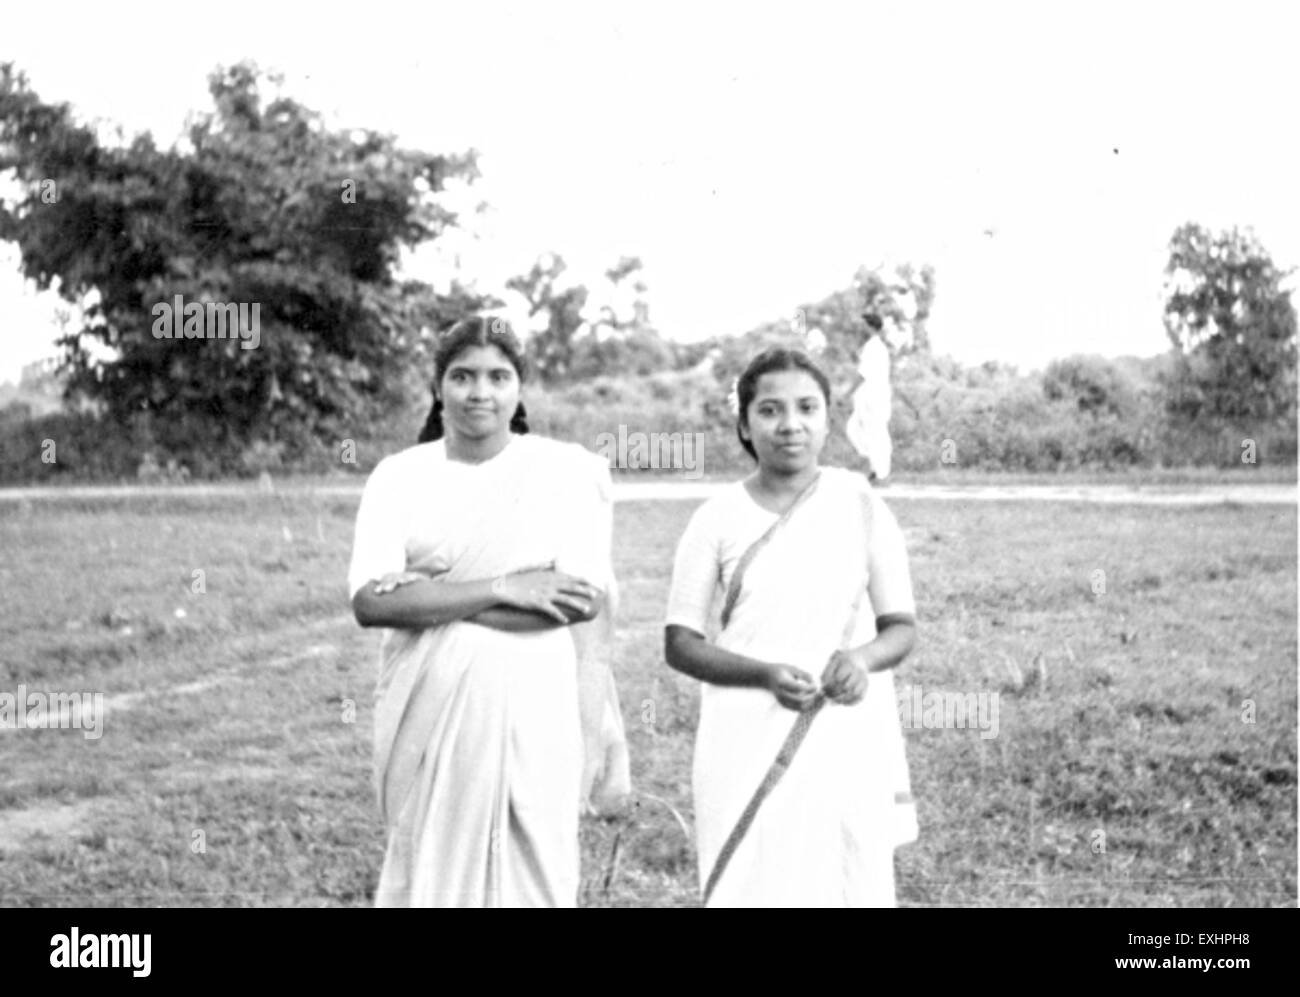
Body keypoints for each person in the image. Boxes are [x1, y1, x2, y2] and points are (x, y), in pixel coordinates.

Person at [348, 315, 629, 908]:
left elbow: (576, 602)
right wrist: (505, 587)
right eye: (463, 376)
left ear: (520, 388)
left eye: (498, 376)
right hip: (431, 699)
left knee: (536, 866)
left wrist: (429, 596)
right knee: (431, 863)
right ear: (437, 386)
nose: (480, 392)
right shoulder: (398, 477)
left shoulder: (564, 473)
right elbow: (371, 603)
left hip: (538, 698)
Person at [664, 347, 918, 907]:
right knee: (753, 883)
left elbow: (900, 625)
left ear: (829, 421)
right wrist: (764, 675)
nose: (790, 425)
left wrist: (861, 661)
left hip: (844, 728)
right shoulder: (715, 518)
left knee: (843, 878)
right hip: (743, 731)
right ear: (744, 425)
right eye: (771, 411)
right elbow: (679, 643)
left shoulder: (860, 505)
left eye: (807, 408)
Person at [846, 312, 893, 482]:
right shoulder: (872, 347)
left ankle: (880, 473)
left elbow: (863, 375)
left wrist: (846, 393)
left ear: (869, 326)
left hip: (874, 397)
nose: (859, 329)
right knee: (856, 430)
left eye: (862, 325)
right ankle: (876, 469)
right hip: (870, 396)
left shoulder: (874, 347)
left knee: (876, 433)